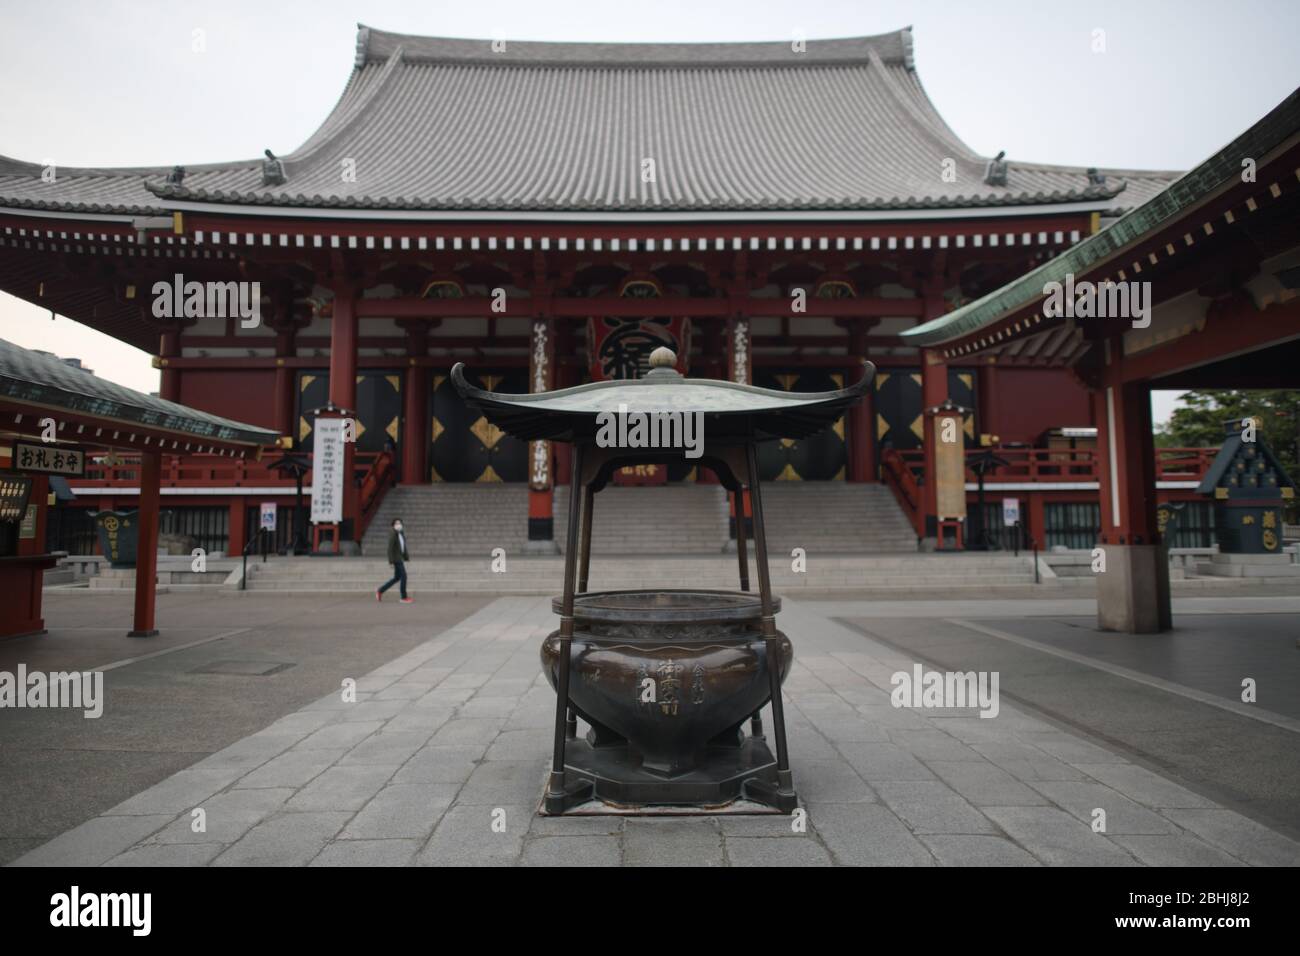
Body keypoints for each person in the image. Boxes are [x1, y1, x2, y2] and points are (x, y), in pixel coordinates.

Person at [376, 517, 412, 603]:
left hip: (400, 558)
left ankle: (380, 591)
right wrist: (390, 561)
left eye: (399, 523)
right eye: (396, 523)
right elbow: (390, 548)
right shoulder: (393, 533)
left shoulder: (401, 533)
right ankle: (404, 597)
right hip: (396, 559)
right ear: (393, 525)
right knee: (404, 576)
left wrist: (406, 557)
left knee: (397, 578)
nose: (398, 525)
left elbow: (403, 547)